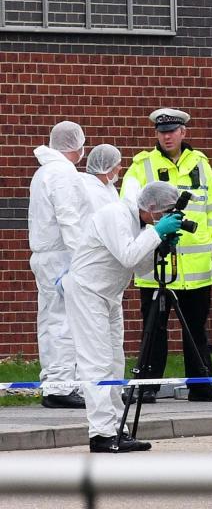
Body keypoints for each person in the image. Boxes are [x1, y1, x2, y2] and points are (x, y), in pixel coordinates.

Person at [119, 108, 212, 403]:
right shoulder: (142, 165)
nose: (166, 136)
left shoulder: (201, 164)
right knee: (153, 329)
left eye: (172, 131)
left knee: (196, 330)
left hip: (196, 268)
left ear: (183, 132)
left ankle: (202, 386)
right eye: (161, 131)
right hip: (157, 263)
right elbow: (129, 210)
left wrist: (211, 238)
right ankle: (146, 387)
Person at [62, 181, 184, 453]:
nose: (163, 218)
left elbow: (140, 269)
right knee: (97, 363)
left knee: (115, 362)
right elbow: (128, 256)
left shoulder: (141, 225)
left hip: (109, 294)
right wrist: (156, 235)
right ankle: (101, 434)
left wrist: (159, 246)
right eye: (164, 213)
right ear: (151, 207)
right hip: (86, 291)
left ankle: (119, 428)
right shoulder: (116, 214)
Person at [28, 121, 92, 409]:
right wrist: (82, 258)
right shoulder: (63, 174)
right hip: (62, 256)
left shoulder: (44, 172)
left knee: (51, 319)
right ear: (76, 146)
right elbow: (69, 218)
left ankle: (54, 379)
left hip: (46, 255)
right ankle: (62, 385)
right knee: (65, 321)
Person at [81, 144, 122, 209]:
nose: (120, 168)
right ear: (107, 167)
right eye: (118, 164)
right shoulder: (93, 192)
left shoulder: (108, 186)